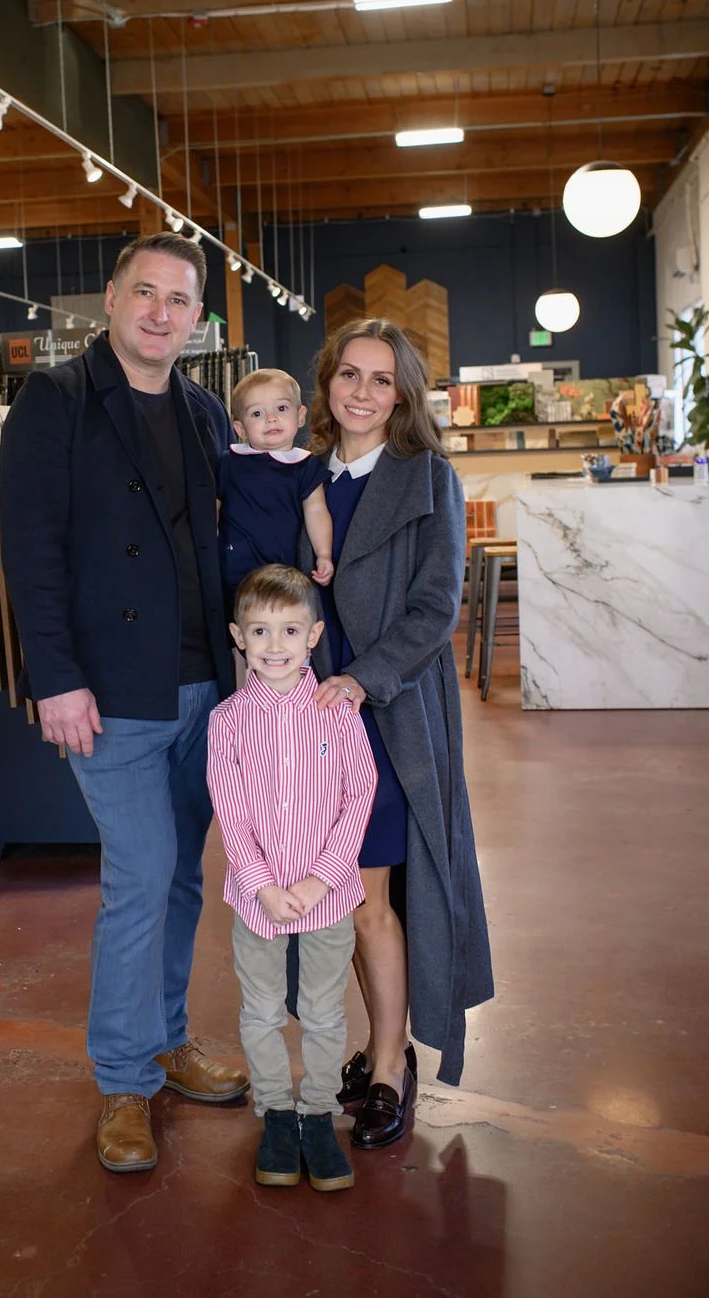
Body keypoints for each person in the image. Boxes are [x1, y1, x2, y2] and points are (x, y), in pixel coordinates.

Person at [0, 233, 248, 1175]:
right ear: (110, 298)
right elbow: (31, 551)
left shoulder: (202, 409)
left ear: (196, 318)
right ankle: (120, 1081)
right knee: (141, 876)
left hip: (202, 688)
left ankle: (169, 1039)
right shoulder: (56, 401)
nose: (158, 312)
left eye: (178, 300)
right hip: (110, 693)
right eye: (143, 293)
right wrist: (54, 676)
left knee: (183, 874)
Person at [302, 317, 493, 1149]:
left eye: (382, 380)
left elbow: (434, 609)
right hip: (305, 719)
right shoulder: (303, 474)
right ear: (328, 381)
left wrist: (360, 677)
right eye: (350, 374)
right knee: (341, 898)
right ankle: (378, 1045)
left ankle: (389, 1062)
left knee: (374, 900)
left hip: (385, 711)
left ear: (405, 395)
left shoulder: (426, 478)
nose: (363, 392)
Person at [207, 564, 377, 1192]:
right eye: (259, 631)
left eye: (288, 630)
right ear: (238, 636)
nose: (274, 645)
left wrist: (321, 880)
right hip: (258, 901)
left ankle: (317, 1115)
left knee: (325, 1012)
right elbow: (229, 806)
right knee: (261, 1010)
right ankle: (277, 1112)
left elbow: (358, 794)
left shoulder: (337, 712)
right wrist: (260, 883)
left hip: (326, 896)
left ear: (313, 635)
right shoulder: (227, 721)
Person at [216, 369, 335, 610]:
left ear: (300, 416)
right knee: (237, 630)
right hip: (233, 567)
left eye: (281, 409)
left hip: (284, 572)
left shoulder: (305, 465)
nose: (271, 419)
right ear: (240, 429)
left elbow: (317, 511)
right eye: (257, 413)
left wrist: (323, 554)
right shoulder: (229, 462)